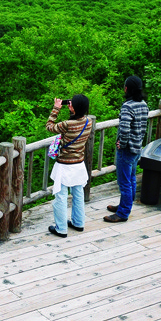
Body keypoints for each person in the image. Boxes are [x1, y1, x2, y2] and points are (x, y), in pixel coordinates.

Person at [45, 94, 94, 237]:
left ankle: (61, 229)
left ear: (75, 107)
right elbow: (77, 122)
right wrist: (73, 111)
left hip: (64, 165)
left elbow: (49, 127)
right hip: (78, 164)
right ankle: (78, 223)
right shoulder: (88, 122)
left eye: (71, 104)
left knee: (61, 196)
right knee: (78, 193)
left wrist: (56, 109)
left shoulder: (67, 124)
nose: (69, 104)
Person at [105, 75, 148, 223]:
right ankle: (125, 205)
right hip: (137, 148)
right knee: (131, 179)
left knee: (124, 182)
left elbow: (124, 129)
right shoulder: (143, 104)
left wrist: (121, 144)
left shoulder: (128, 106)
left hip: (127, 149)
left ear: (126, 89)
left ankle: (123, 213)